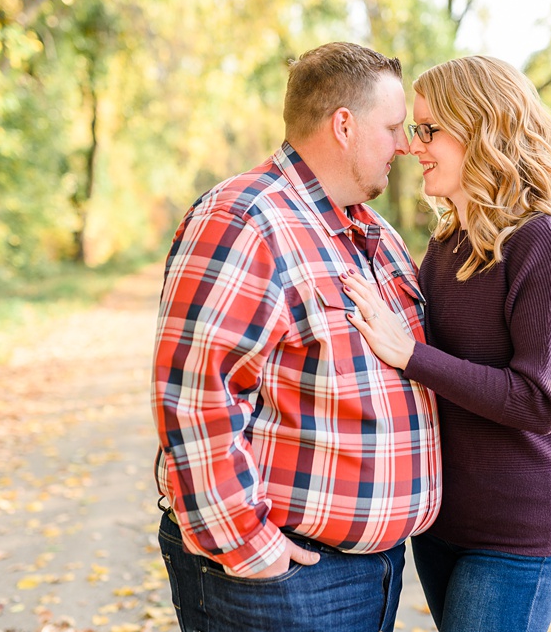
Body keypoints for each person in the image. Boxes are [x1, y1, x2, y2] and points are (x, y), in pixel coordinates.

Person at [151, 42, 441, 632]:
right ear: (344, 126)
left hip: (374, 571)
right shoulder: (245, 219)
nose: (407, 145)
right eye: (392, 127)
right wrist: (248, 546)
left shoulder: (374, 233)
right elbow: (196, 394)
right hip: (284, 581)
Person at [339, 55, 551, 632]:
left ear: (483, 128)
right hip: (442, 522)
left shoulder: (549, 246)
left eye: (428, 129)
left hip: (517, 531)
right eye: (412, 131)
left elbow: (540, 401)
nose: (414, 147)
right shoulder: (448, 244)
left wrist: (411, 355)